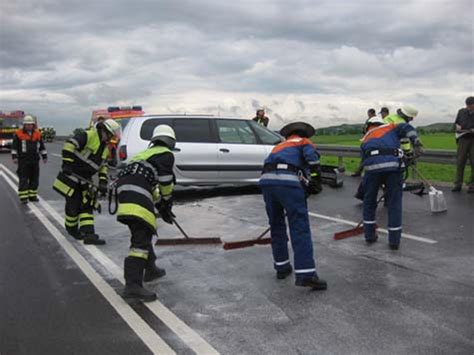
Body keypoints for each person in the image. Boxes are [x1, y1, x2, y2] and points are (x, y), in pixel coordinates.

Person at [259, 121, 327, 290]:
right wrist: (316, 181)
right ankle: (306, 274)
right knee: (299, 227)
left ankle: (282, 267)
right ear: (304, 135)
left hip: (267, 182)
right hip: (288, 182)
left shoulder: (279, 146)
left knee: (276, 225)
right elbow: (313, 161)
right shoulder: (304, 143)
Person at [116, 125, 176, 302]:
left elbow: (151, 187)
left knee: (144, 228)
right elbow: (165, 182)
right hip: (137, 191)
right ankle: (133, 286)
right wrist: (167, 203)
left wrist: (161, 206)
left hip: (127, 190)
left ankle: (150, 269)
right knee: (140, 239)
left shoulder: (145, 155)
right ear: (170, 142)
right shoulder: (165, 154)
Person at [53, 119, 121, 245]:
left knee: (88, 205)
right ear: (104, 131)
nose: (111, 138)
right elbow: (69, 145)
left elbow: (103, 166)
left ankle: (89, 235)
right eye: (110, 135)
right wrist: (67, 163)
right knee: (74, 207)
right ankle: (72, 229)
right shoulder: (88, 135)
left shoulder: (105, 148)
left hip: (85, 180)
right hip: (71, 176)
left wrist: (102, 183)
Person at [360, 117, 422, 250]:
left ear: (368, 126)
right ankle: (394, 241)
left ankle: (369, 235)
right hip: (393, 167)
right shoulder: (390, 127)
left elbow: (363, 161)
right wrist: (416, 142)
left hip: (371, 170)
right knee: (394, 202)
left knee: (369, 202)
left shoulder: (365, 138)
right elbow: (407, 127)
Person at [11, 114, 47, 204]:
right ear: (24, 125)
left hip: (34, 160)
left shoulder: (37, 134)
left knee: (34, 178)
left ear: (33, 125)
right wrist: (14, 157)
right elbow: (14, 147)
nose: (29, 126)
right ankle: (23, 197)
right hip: (23, 160)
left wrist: (44, 157)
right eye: (27, 124)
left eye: (31, 124)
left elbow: (42, 147)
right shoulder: (19, 134)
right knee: (23, 178)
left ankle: (32, 196)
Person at [452, 96, 474, 193]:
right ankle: (457, 184)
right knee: (460, 162)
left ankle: (472, 185)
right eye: (468, 106)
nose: (469, 107)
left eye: (471, 106)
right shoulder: (461, 111)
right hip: (462, 139)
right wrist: (457, 127)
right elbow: (456, 123)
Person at [352, 108, 377, 177]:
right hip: (369, 141)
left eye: (368, 114)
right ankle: (360, 172)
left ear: (371, 113)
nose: (368, 115)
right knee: (364, 157)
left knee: (366, 158)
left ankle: (364, 173)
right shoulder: (372, 120)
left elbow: (367, 131)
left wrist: (364, 130)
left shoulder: (372, 120)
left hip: (371, 141)